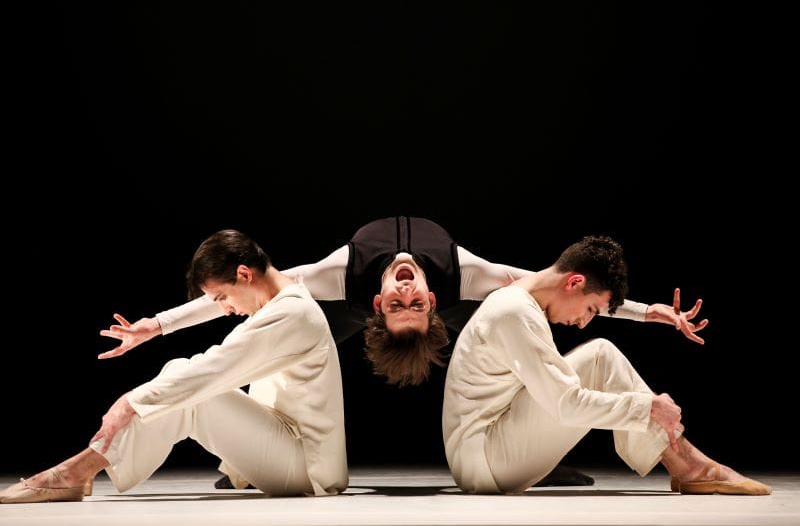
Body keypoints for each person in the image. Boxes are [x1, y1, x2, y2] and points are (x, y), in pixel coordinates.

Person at [97, 217, 706, 489]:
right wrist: (648, 310)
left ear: (379, 302)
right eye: (411, 303)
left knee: (270, 339)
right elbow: (561, 280)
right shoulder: (463, 274)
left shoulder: (347, 274)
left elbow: (564, 281)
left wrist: (159, 324)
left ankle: (542, 457)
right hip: (342, 330)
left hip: (348, 317)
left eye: (404, 303)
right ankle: (243, 462)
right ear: (431, 302)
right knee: (271, 344)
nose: (409, 292)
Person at [0, 229, 348, 504]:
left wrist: (130, 401)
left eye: (221, 297)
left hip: (308, 468)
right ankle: (78, 472)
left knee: (193, 390)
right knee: (182, 373)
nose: (224, 308)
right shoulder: (280, 302)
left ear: (244, 274)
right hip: (290, 446)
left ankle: (74, 473)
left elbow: (215, 368)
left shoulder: (292, 312)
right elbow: (208, 365)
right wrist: (156, 325)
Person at [442, 235, 771, 496]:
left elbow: (591, 296)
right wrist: (648, 408)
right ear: (574, 283)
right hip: (483, 460)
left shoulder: (520, 295)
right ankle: (692, 468)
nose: (583, 322)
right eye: (590, 309)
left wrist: (646, 312)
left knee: (600, 353)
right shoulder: (515, 311)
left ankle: (688, 466)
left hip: (483, 446)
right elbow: (566, 406)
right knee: (597, 362)